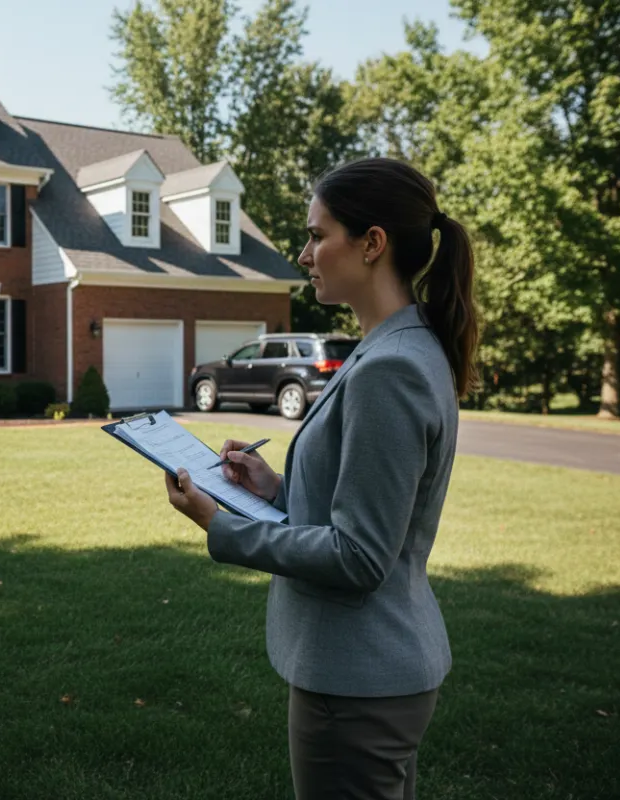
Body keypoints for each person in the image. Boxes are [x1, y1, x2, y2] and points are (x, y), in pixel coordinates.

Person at [164, 157, 479, 800]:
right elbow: (366, 506)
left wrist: (219, 524)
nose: (305, 253)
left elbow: (360, 555)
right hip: (374, 680)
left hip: (358, 683)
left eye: (317, 234)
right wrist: (273, 490)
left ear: (371, 244)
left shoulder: (390, 367)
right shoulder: (398, 346)